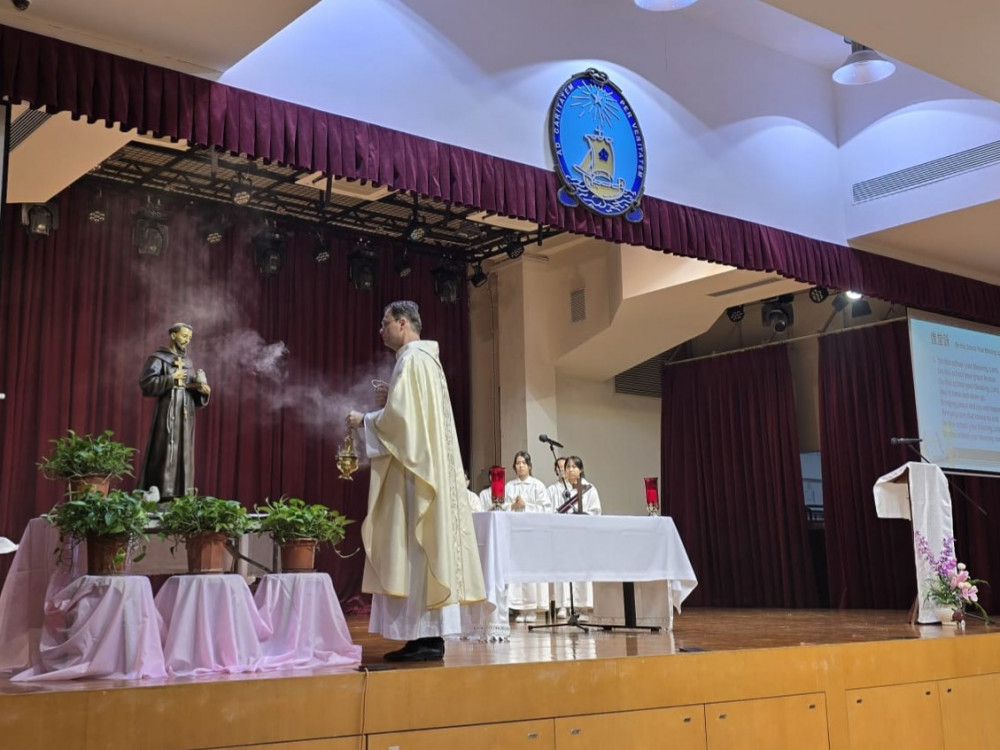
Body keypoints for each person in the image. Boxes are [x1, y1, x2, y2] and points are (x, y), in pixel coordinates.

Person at [346, 301, 486, 663]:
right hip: (423, 466)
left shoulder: (411, 359)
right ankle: (422, 636)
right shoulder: (427, 360)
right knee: (420, 550)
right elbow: (410, 418)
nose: (381, 330)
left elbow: (401, 423)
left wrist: (365, 419)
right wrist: (388, 402)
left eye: (385, 323)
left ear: (403, 324)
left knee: (415, 549)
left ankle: (427, 638)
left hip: (415, 476)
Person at [137, 323, 210, 500]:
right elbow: (146, 383)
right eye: (184, 336)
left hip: (186, 411)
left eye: (189, 338)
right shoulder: (158, 358)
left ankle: (182, 494)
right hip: (168, 410)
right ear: (173, 335)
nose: (187, 340)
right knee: (166, 449)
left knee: (185, 452)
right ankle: (162, 494)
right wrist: (171, 378)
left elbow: (191, 387)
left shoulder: (188, 362)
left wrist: (202, 390)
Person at [504, 451, 552, 623]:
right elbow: (502, 506)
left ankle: (531, 608)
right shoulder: (509, 486)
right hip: (516, 535)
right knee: (518, 572)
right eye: (518, 463)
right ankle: (521, 608)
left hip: (533, 536)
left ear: (529, 466)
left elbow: (546, 509)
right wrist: (512, 505)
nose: (521, 466)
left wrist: (526, 505)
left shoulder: (537, 485)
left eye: (523, 463)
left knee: (531, 572)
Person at [556, 455, 602, 615]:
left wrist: (581, 516)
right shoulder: (560, 490)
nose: (570, 470)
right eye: (568, 467)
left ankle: (583, 607)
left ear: (581, 469)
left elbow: (596, 511)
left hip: (582, 536)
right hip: (565, 535)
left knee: (582, 570)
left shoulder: (589, 489)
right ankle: (565, 605)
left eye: (574, 467)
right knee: (564, 569)